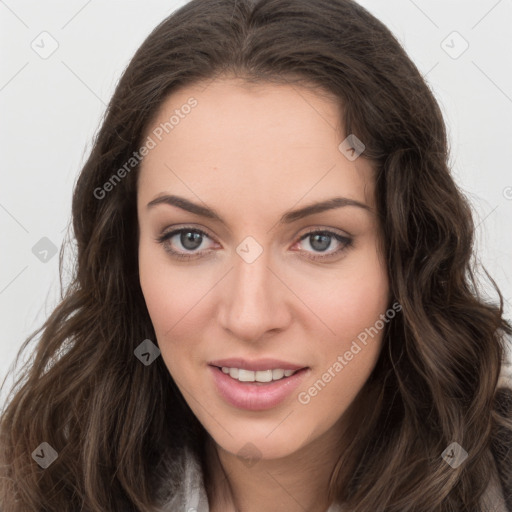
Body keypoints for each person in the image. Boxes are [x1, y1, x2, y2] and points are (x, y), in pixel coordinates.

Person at [1, 0, 511, 510]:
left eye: (320, 240)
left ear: (409, 252)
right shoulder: (31, 484)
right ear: (126, 254)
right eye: (190, 238)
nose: (249, 317)